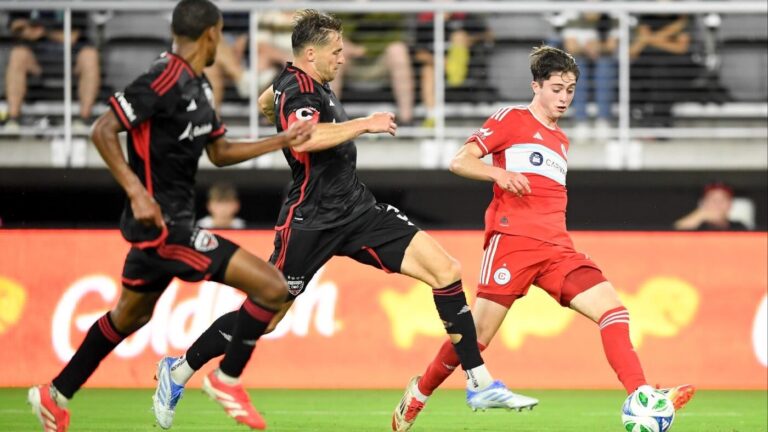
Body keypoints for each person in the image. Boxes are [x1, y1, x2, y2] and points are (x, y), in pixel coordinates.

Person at [152, 9, 533, 430]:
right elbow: (308, 137)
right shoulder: (298, 88)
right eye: (336, 51)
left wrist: (277, 108)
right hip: (310, 219)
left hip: (356, 209)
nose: (343, 58)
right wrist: (364, 124)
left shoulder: (299, 83)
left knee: (446, 270)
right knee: (267, 312)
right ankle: (179, 370)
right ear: (311, 53)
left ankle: (478, 381)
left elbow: (266, 102)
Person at [26, 1, 314, 431]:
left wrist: (282, 141)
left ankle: (55, 395)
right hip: (167, 228)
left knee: (129, 317)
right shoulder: (163, 77)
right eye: (221, 35)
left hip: (162, 229)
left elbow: (219, 152)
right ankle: (226, 378)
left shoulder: (199, 86)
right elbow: (103, 129)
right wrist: (137, 193)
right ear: (211, 35)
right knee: (274, 289)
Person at [390, 46, 697, 431]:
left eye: (570, 89)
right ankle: (419, 394)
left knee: (614, 310)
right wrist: (497, 175)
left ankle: (639, 394)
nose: (564, 98)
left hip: (557, 250)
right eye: (556, 88)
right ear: (536, 86)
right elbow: (459, 160)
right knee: (475, 338)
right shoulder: (511, 119)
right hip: (513, 243)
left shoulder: (561, 141)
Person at [3, 10, 100, 133]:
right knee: (18, 54)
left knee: (90, 56)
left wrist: (43, 31)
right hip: (36, 58)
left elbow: (72, 35)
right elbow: (15, 25)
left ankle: (83, 119)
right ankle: (13, 120)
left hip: (71, 58)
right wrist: (29, 29)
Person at [330, 13, 415, 125]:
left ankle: (406, 120)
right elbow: (332, 33)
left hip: (379, 63)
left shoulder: (389, 9)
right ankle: (330, 119)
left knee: (398, 50)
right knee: (336, 51)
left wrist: (366, 50)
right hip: (350, 62)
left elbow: (396, 36)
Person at [561, 11, 617, 141]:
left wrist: (597, 47)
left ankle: (603, 121)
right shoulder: (573, 16)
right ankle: (581, 122)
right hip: (580, 58)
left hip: (603, 58)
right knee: (577, 68)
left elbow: (611, 46)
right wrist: (586, 49)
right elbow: (571, 47)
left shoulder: (611, 15)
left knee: (604, 66)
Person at [629, 14, 694, 127]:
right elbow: (633, 50)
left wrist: (649, 39)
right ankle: (648, 121)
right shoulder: (646, 17)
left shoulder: (681, 16)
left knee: (661, 71)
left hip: (673, 71)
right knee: (649, 70)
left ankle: (659, 122)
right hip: (647, 70)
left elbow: (681, 48)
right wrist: (671, 30)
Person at [674, 182, 749, 231]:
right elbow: (673, 233)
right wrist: (700, 215)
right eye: (712, 200)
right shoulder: (697, 227)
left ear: (730, 205)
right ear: (703, 204)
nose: (717, 204)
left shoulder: (739, 227)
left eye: (722, 200)